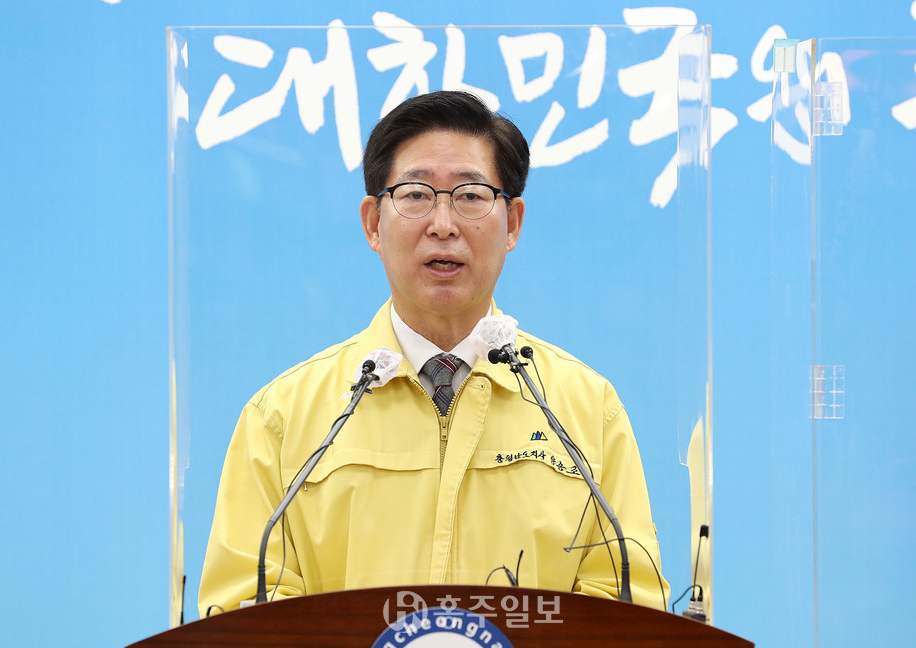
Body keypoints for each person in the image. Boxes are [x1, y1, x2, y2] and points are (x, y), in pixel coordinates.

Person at [198, 90, 669, 615]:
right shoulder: (282, 418)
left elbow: (628, 609)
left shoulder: (585, 410)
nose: (443, 223)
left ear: (512, 223)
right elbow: (245, 612)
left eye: (470, 195)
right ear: (373, 224)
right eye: (416, 194)